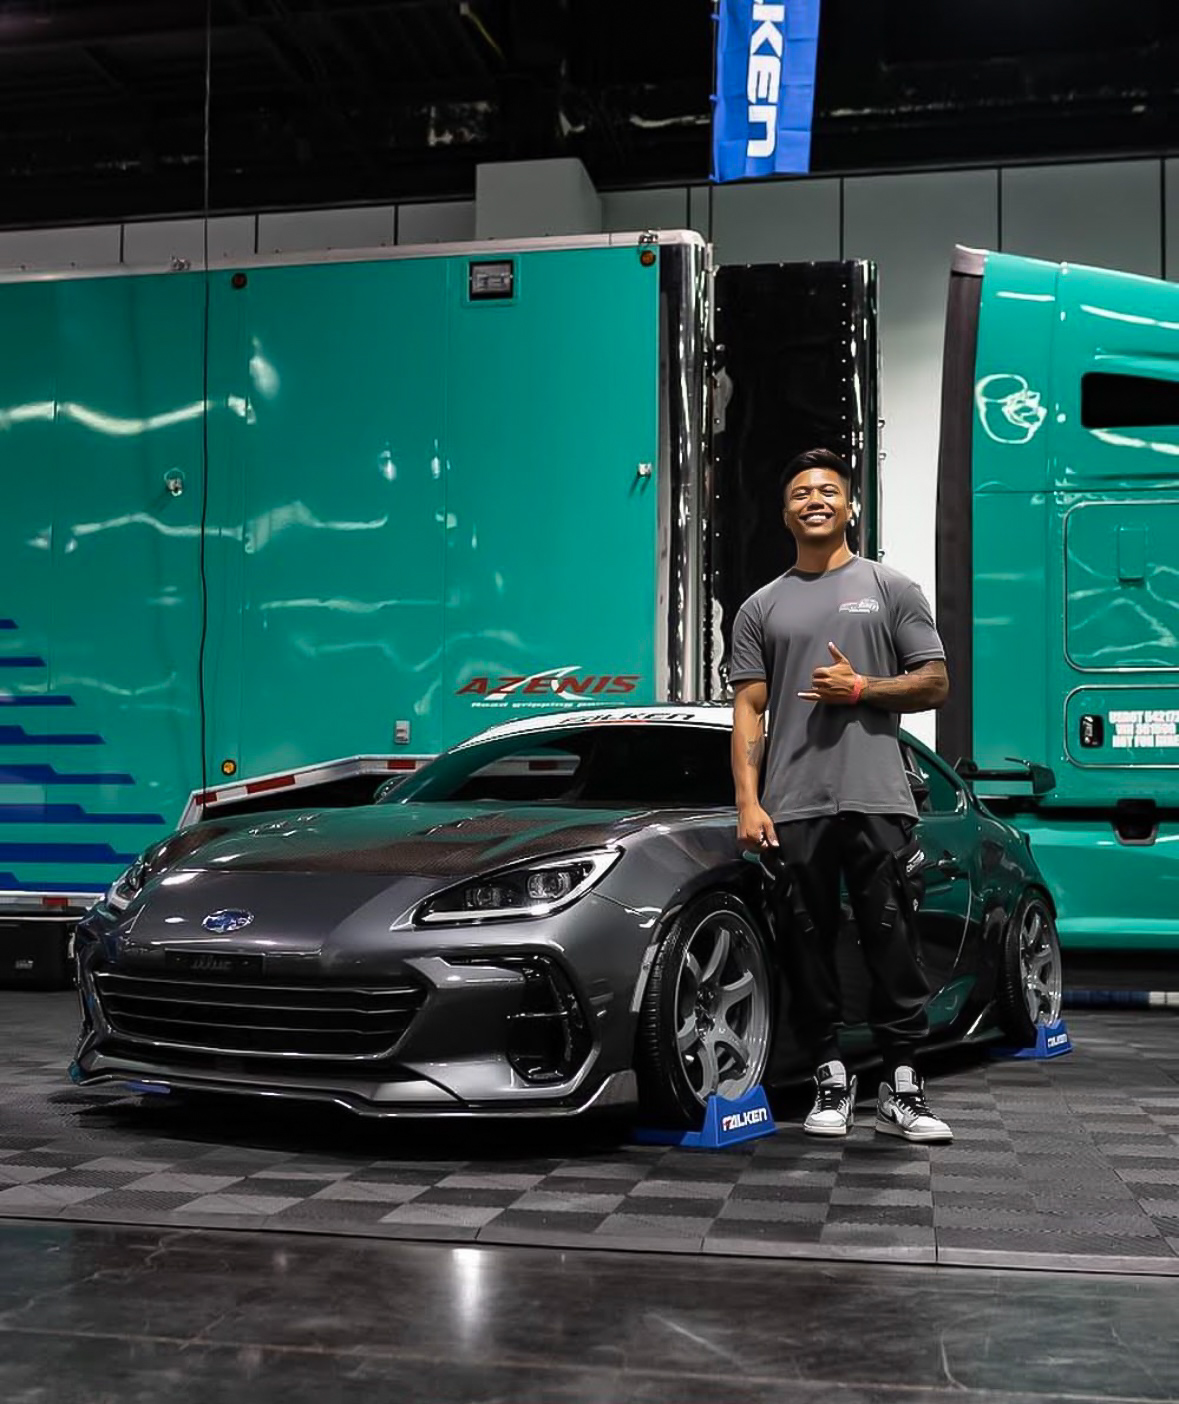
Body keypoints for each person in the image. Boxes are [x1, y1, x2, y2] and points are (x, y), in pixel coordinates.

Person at [728, 447, 953, 1143]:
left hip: (877, 796)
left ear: (850, 506)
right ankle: (829, 1077)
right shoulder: (760, 606)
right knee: (805, 942)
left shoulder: (890, 589)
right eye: (800, 492)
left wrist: (862, 689)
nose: (814, 500)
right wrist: (746, 801)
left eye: (828, 490)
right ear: (785, 511)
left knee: (891, 941)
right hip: (792, 802)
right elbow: (748, 709)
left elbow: (934, 681)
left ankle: (903, 1086)